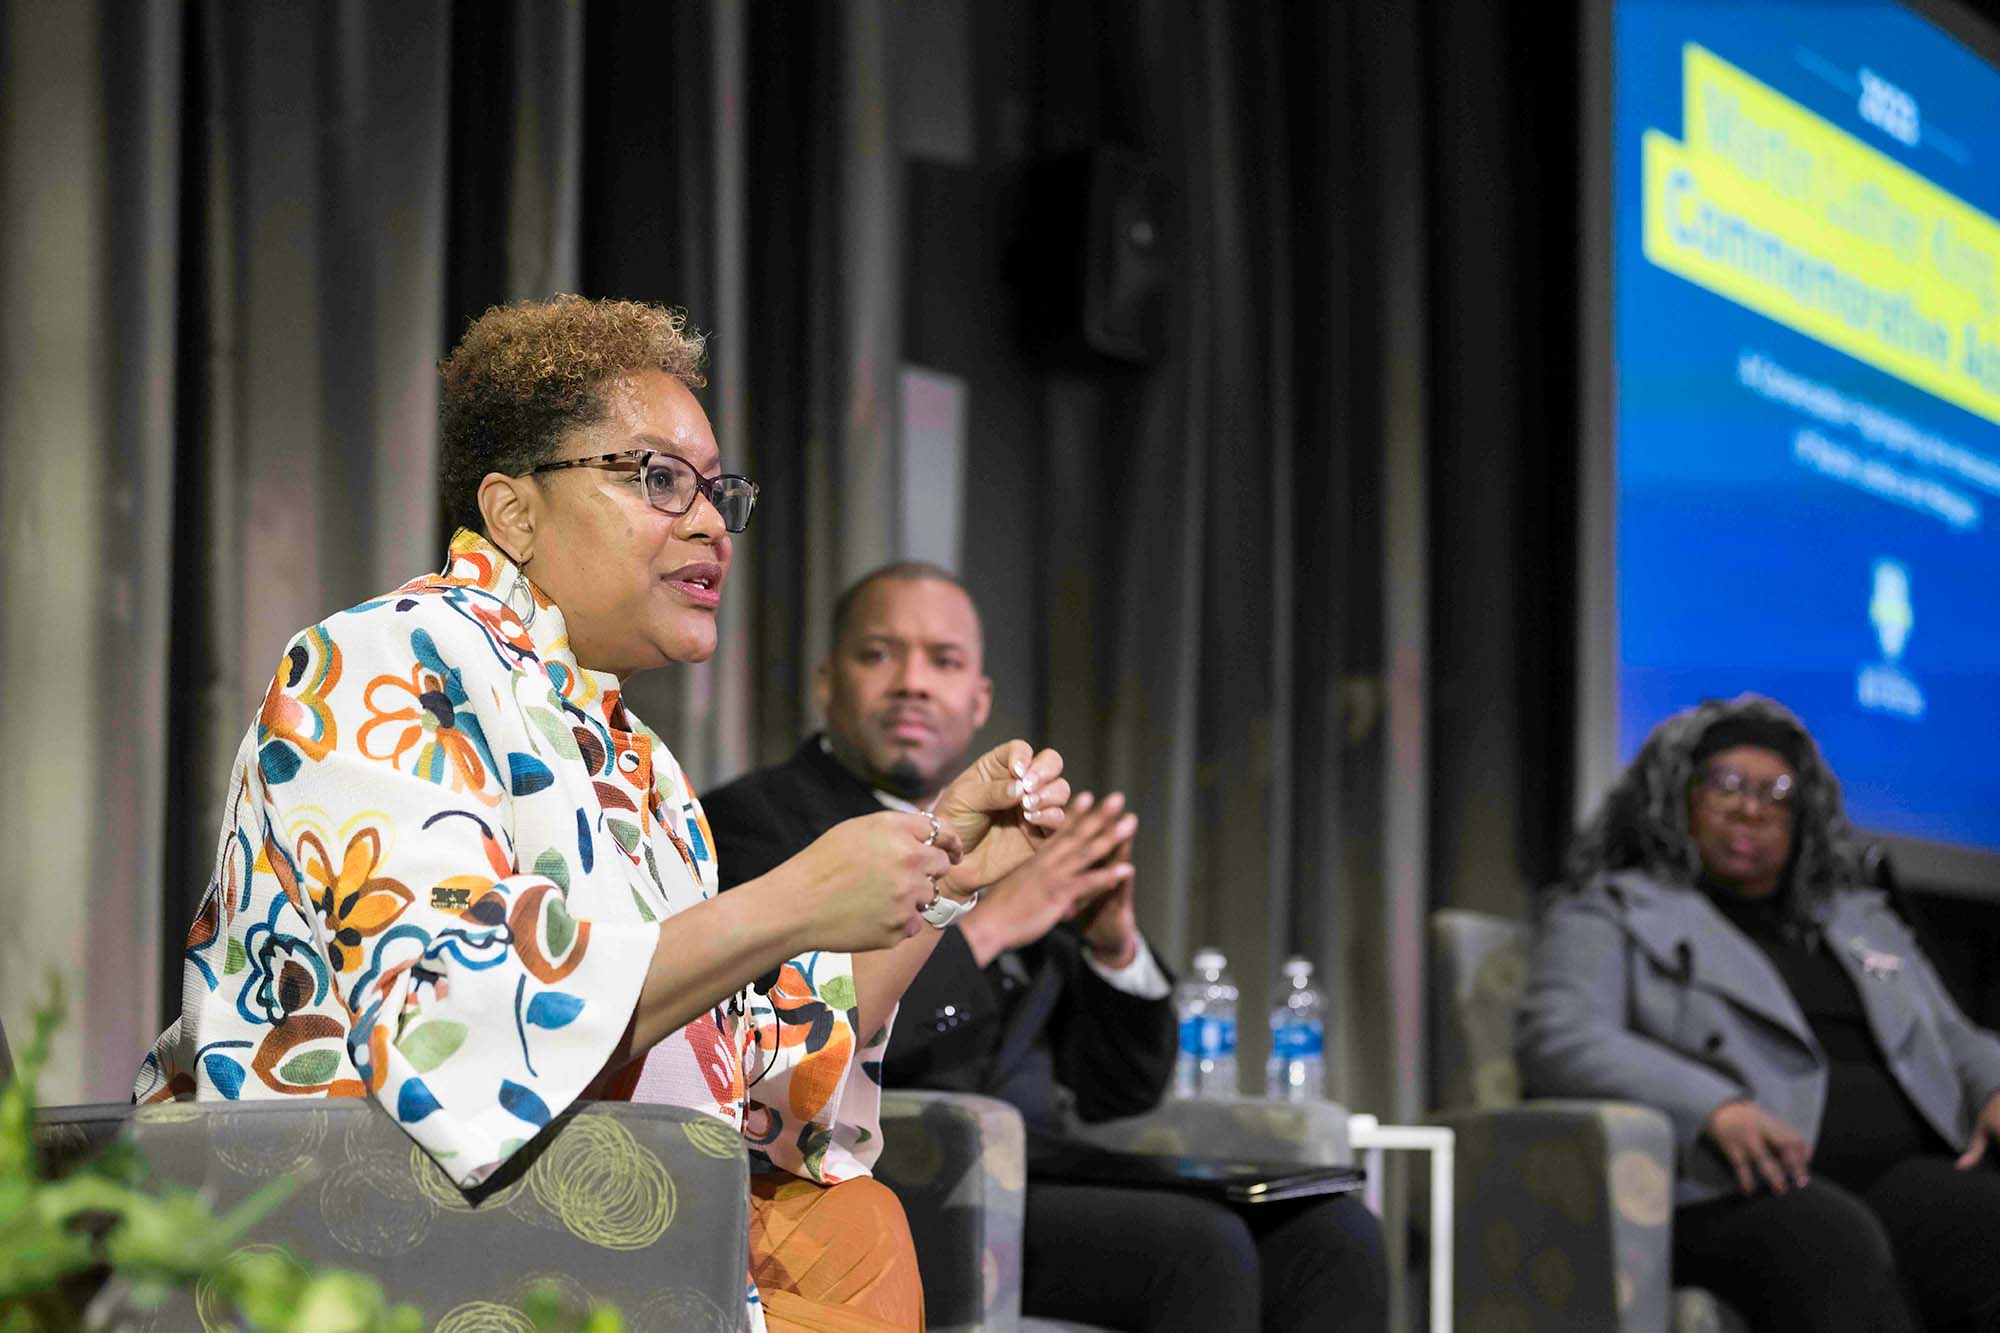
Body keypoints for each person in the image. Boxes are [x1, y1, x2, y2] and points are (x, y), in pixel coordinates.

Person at [136, 296, 1075, 1333]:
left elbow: (752, 1062)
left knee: (855, 1230)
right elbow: (454, 1032)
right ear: (514, 512)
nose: (712, 519)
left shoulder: (630, 755)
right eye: (658, 478)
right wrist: (789, 901)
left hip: (588, 1208)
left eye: (717, 490)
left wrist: (940, 870)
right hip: (375, 1228)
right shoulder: (385, 661)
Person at [702, 562, 1389, 1333]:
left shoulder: (1012, 819)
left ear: (980, 700)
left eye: (945, 661)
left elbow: (1120, 1089)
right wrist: (990, 923)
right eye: (879, 654)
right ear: (828, 680)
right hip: (915, 1171)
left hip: (1059, 1171)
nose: (912, 683)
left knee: (1339, 1235)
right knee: (1203, 1247)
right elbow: (767, 1040)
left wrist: (1111, 944)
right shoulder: (754, 821)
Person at [1517, 694, 2000, 1333]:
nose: (1752, 806)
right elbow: (1560, 1035)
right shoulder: (1611, 911)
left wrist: (1994, 1085)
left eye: (1776, 792)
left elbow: (1952, 1034)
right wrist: (1711, 1104)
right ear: (1676, 796)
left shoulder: (1859, 920)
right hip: (1736, 1183)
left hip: (1901, 1172)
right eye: (1727, 784)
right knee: (1830, 1240)